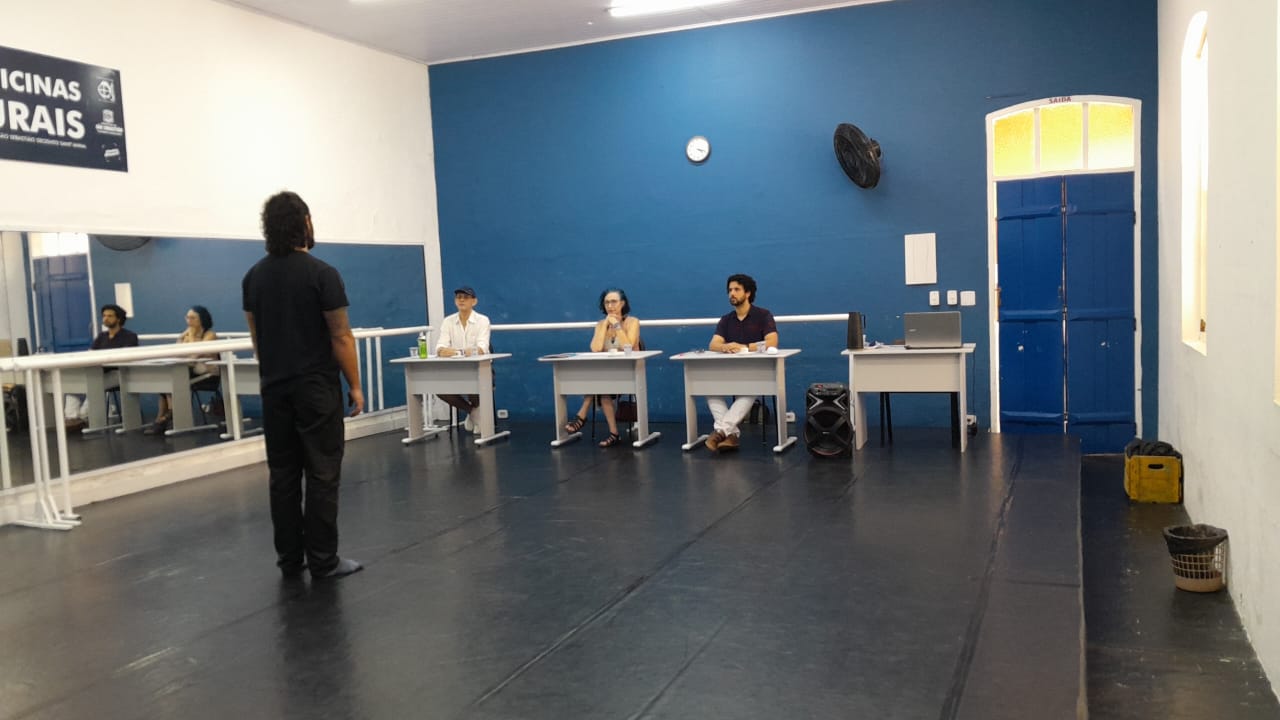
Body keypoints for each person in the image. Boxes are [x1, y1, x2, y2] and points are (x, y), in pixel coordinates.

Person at [243, 190, 364, 580]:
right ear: (305, 223)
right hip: (315, 390)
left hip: (274, 389)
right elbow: (341, 336)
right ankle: (324, 560)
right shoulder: (322, 274)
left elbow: (258, 339)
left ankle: (290, 559)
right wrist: (355, 385)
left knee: (282, 475)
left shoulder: (253, 277)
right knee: (322, 473)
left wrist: (276, 373)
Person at [705, 273, 778, 453]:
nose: (732, 293)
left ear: (748, 293)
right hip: (729, 371)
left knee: (750, 389)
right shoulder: (726, 319)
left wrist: (744, 347)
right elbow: (713, 344)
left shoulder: (763, 315)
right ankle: (731, 434)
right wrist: (725, 346)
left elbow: (772, 342)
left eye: (737, 289)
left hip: (756, 371)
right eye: (730, 290)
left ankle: (721, 431)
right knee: (708, 389)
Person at [563, 288, 641, 448]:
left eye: (614, 302)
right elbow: (596, 348)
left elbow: (628, 346)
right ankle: (614, 434)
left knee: (597, 383)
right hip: (607, 372)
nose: (610, 306)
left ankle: (582, 415)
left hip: (629, 370)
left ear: (622, 303)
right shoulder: (601, 325)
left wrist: (617, 325)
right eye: (607, 302)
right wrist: (605, 325)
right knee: (601, 386)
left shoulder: (632, 322)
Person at [144, 305, 219, 435]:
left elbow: (196, 354)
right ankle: (166, 415)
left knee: (170, 380)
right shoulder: (186, 335)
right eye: (187, 317)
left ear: (202, 319)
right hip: (188, 370)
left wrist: (190, 335)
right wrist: (181, 337)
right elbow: (178, 352)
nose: (189, 321)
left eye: (193, 318)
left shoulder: (210, 335)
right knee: (165, 380)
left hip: (206, 374)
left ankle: (167, 415)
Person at [64, 304, 139, 431]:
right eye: (104, 316)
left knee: (94, 385)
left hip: (119, 373)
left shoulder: (129, 336)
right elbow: (91, 353)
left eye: (110, 316)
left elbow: (127, 357)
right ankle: (71, 418)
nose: (106, 319)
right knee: (72, 386)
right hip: (99, 372)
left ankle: (83, 417)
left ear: (118, 319)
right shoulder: (101, 337)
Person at [433, 285, 490, 434]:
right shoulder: (448, 321)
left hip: (479, 370)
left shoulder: (482, 320)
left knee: (475, 387)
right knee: (439, 389)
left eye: (465, 297)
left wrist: (455, 352)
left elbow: (481, 348)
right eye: (458, 297)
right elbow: (440, 348)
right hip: (455, 370)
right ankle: (473, 412)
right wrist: (462, 352)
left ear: (474, 301)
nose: (461, 300)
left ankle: (477, 415)